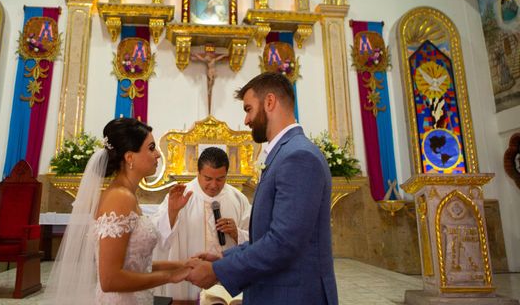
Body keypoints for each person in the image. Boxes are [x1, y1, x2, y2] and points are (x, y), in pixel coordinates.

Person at [187, 72, 339, 304]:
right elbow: (267, 236)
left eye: (248, 109)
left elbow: (283, 243)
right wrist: (221, 258)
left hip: (292, 296)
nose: (246, 120)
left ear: (269, 102)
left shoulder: (298, 156)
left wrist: (217, 271)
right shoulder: (286, 153)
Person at [43, 118, 189, 305]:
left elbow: (135, 264)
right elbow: (110, 279)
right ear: (130, 157)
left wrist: (182, 264)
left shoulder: (127, 194)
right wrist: (169, 277)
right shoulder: (120, 198)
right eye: (151, 148)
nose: (158, 155)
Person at [152, 147, 251, 300]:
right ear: (198, 172)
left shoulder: (238, 199)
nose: (214, 185)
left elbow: (257, 239)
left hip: (227, 284)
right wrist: (172, 212)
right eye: (208, 178)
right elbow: (157, 236)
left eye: (220, 179)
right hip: (188, 285)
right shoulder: (181, 195)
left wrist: (238, 233)